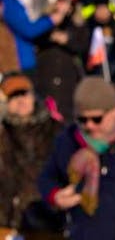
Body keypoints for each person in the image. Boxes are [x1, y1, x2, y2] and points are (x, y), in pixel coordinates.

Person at [38, 77, 115, 239]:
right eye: (82, 119)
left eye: (97, 119)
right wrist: (55, 195)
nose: (89, 126)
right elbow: (47, 176)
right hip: (84, 232)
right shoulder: (68, 140)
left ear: (114, 112)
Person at [0, 73, 64, 236]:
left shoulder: (56, 129)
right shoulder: (3, 135)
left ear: (33, 96)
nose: (20, 101)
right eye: (13, 97)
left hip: (55, 216)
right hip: (13, 221)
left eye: (24, 94)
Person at [0, 0, 71, 74]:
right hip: (19, 62)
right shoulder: (8, 3)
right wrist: (50, 20)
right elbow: (28, 30)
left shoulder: (5, 4)